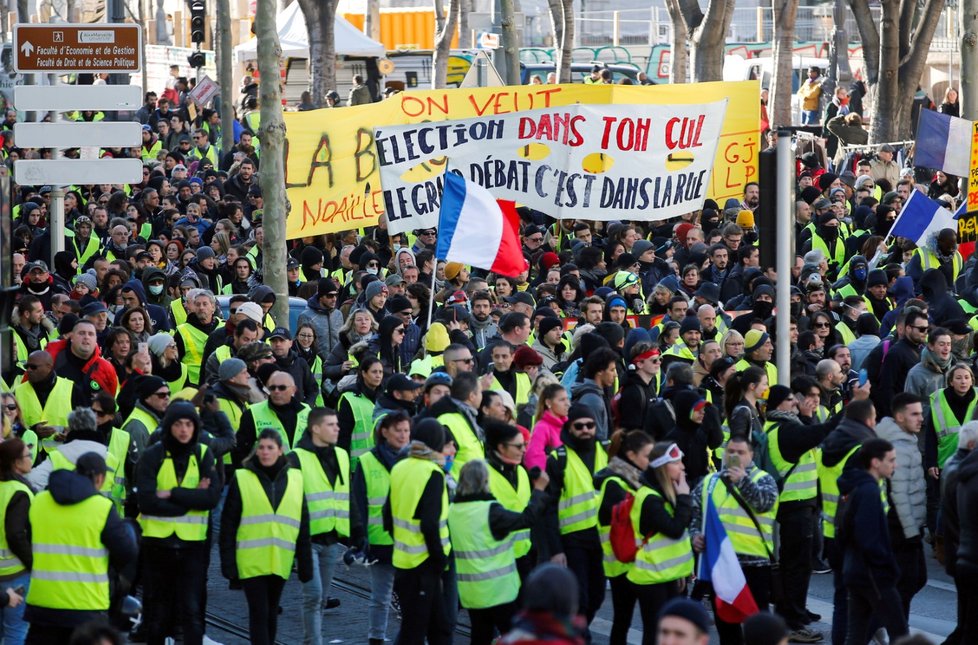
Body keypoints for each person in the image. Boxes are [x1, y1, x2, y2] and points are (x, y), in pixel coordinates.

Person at [24, 453, 138, 644]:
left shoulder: (40, 501)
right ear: (99, 478)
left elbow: (29, 538)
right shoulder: (101, 507)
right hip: (87, 606)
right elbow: (127, 552)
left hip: (42, 604)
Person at [135, 401, 221, 645]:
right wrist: (192, 498)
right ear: (168, 426)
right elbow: (147, 501)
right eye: (178, 424)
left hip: (193, 545)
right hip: (158, 544)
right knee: (157, 613)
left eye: (188, 424)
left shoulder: (203, 453)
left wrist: (173, 493)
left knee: (192, 611)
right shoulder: (153, 455)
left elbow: (212, 497)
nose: (184, 430)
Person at [220, 429, 313, 645]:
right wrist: (229, 565)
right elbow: (228, 526)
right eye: (261, 447)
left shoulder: (296, 479)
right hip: (251, 561)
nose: (265, 452)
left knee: (271, 612)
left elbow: (303, 525)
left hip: (280, 560)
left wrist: (305, 562)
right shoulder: (242, 478)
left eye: (270, 447)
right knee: (259, 614)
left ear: (280, 451)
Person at [448, 458, 549, 645]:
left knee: (481, 635)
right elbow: (527, 519)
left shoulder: (453, 510)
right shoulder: (490, 511)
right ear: (484, 482)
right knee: (515, 636)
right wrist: (539, 490)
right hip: (498, 590)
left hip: (472, 592)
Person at [691, 435, 778, 645]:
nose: (735, 456)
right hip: (720, 566)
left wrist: (742, 481)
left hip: (754, 565)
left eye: (740, 453)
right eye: (730, 452)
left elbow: (764, 503)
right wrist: (694, 535)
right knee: (726, 626)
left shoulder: (763, 479)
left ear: (751, 455)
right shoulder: (710, 482)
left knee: (758, 627)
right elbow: (695, 512)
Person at [287, 407, 362, 645]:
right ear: (315, 428)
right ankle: (314, 641)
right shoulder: (296, 458)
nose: (337, 428)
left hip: (331, 538)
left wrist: (358, 530)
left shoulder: (340, 454)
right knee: (314, 595)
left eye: (337, 424)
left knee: (321, 598)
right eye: (331, 425)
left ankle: (312, 639)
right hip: (306, 540)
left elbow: (346, 495)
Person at [386, 418, 454, 645]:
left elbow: (387, 516)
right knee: (417, 631)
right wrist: (439, 559)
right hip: (425, 565)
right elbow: (429, 524)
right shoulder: (433, 473)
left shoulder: (399, 467)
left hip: (404, 562)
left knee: (437, 627)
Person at [544, 403, 608, 636]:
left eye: (590, 425)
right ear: (570, 428)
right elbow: (548, 509)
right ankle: (578, 637)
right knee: (579, 598)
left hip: (601, 538)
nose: (585, 430)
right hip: (572, 539)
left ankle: (572, 633)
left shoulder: (605, 450)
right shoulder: (558, 459)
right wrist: (556, 549)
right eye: (579, 426)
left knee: (598, 595)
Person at [837, 438, 908, 644]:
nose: (896, 465)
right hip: (873, 574)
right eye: (891, 460)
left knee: (857, 633)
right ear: (876, 463)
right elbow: (868, 537)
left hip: (856, 570)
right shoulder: (869, 491)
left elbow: (844, 531)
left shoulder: (857, 486)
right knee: (899, 630)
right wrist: (888, 567)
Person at [351, 412, 410, 645]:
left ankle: (407, 637)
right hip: (380, 541)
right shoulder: (367, 461)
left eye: (406, 430)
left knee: (409, 599)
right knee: (381, 597)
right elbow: (358, 502)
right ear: (384, 432)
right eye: (398, 430)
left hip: (409, 541)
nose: (403, 435)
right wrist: (360, 539)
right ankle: (376, 638)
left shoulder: (414, 460)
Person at [627, 442, 693, 645]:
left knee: (672, 632)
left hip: (669, 573)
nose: (682, 467)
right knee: (656, 633)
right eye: (676, 463)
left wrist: (681, 571)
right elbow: (674, 529)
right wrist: (684, 497)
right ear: (663, 467)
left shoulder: (665, 492)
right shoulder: (650, 499)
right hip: (652, 577)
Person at [874, 393, 927, 622]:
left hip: (907, 527)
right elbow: (899, 494)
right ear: (899, 417)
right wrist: (911, 533)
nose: (920, 419)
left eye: (921, 413)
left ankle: (883, 623)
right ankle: (887, 628)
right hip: (901, 529)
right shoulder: (897, 446)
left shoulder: (907, 439)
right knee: (905, 585)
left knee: (911, 582)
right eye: (914, 414)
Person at [0, 438, 33, 645]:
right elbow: (15, 535)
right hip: (15, 574)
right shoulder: (19, 492)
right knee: (15, 633)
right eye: (27, 456)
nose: (31, 459)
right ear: (15, 462)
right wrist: (33, 563)